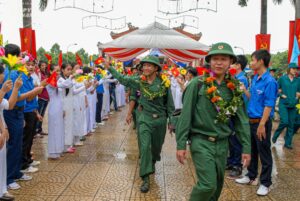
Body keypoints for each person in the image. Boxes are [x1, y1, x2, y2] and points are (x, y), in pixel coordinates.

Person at [176, 42, 251, 201]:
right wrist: (181, 144)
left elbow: (241, 120)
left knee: (216, 187)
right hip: (201, 141)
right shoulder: (198, 84)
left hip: (223, 143)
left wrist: (246, 147)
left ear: (231, 62)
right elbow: (186, 115)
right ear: (209, 61)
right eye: (215, 58)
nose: (219, 62)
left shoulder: (234, 87)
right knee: (207, 185)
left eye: (223, 59)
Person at [104, 55, 174, 193]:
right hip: (144, 119)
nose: (145, 68)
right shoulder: (139, 81)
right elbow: (124, 79)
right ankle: (145, 177)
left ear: (155, 68)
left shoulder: (164, 83)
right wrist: (110, 68)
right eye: (144, 65)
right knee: (145, 147)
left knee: (155, 148)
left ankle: (152, 163)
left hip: (160, 120)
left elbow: (170, 104)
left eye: (149, 65)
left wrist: (172, 121)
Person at [236, 49, 278, 196]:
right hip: (251, 120)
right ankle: (250, 175)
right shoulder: (255, 78)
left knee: (264, 153)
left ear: (261, 61)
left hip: (262, 123)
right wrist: (244, 90)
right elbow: (252, 98)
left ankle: (265, 183)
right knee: (252, 150)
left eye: (253, 60)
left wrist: (262, 124)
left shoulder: (270, 81)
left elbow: (269, 104)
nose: (251, 63)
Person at [3, 44, 44, 190]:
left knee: (18, 144)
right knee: (14, 145)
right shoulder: (10, 73)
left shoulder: (15, 71)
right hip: (12, 112)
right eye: (20, 56)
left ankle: (16, 173)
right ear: (13, 57)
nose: (22, 59)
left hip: (18, 112)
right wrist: (35, 91)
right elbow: (16, 98)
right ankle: (8, 177)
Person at [0, 62, 22, 201]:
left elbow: (9, 105)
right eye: (2, 72)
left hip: (1, 130)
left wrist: (15, 88)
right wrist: (2, 91)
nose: (3, 75)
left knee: (1, 162)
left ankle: (2, 190)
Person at [226, 55, 249, 179]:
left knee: (236, 139)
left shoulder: (242, 79)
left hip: (238, 114)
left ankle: (237, 165)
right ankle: (231, 161)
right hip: (231, 112)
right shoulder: (234, 77)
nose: (230, 65)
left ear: (238, 65)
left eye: (233, 63)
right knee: (231, 138)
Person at [20, 59, 45, 174]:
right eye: (28, 65)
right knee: (26, 139)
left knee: (30, 138)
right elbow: (29, 98)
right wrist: (39, 88)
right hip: (26, 112)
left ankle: (28, 159)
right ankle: (23, 164)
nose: (30, 67)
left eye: (32, 65)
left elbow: (33, 98)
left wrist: (37, 113)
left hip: (32, 111)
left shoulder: (30, 78)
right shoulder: (23, 79)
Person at [272, 63, 300, 149]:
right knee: (284, 121)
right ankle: (275, 135)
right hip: (283, 104)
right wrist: (281, 95)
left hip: (293, 104)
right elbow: (276, 89)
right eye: (293, 69)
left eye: (296, 69)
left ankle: (288, 143)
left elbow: (298, 91)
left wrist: (297, 96)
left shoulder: (298, 80)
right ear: (289, 69)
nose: (295, 70)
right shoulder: (282, 79)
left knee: (291, 124)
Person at [47, 65, 65, 159]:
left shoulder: (58, 80)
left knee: (59, 129)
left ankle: (59, 149)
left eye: (59, 71)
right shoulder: (50, 81)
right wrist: (70, 78)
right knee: (54, 129)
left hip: (59, 107)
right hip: (54, 108)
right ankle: (53, 152)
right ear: (50, 71)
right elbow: (65, 84)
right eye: (56, 71)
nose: (58, 73)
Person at [58, 63, 74, 153]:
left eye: (70, 69)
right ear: (62, 70)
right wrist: (70, 79)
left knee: (68, 124)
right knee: (64, 125)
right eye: (68, 69)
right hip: (63, 103)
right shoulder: (60, 79)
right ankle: (64, 146)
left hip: (69, 103)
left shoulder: (67, 79)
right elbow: (65, 85)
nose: (70, 71)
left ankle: (68, 144)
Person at [36, 61, 49, 136]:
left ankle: (40, 129)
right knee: (39, 114)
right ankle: (36, 130)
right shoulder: (39, 74)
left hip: (46, 98)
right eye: (42, 65)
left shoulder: (45, 74)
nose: (44, 67)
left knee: (42, 115)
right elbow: (39, 84)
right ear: (39, 67)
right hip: (41, 97)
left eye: (45, 65)